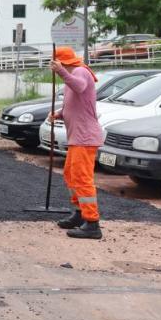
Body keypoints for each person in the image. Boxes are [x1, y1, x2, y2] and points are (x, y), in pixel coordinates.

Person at [49, 46, 104, 239]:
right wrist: (59, 114)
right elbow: (74, 103)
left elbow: (80, 87)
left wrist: (61, 72)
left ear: (61, 62)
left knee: (82, 178)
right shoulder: (71, 76)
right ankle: (79, 213)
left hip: (85, 138)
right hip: (77, 138)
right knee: (71, 175)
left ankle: (92, 223)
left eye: (55, 63)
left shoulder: (80, 71)